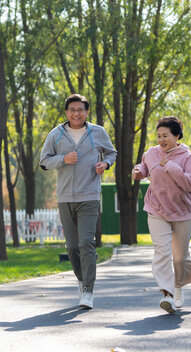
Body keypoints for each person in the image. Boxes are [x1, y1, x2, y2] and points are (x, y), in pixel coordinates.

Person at [39, 94, 117, 310]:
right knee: (72, 247)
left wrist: (105, 165)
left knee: (86, 242)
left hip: (89, 195)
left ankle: (89, 291)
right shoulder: (56, 134)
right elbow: (44, 162)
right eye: (72, 109)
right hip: (65, 197)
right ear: (66, 112)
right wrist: (63, 159)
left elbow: (111, 153)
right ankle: (82, 281)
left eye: (80, 109)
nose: (76, 113)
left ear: (86, 112)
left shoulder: (97, 132)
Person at [132, 116, 191, 314]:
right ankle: (167, 293)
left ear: (176, 136)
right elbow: (145, 167)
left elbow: (189, 184)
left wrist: (170, 166)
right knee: (161, 251)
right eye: (159, 135)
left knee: (179, 258)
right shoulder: (151, 153)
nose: (161, 139)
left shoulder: (187, 157)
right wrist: (138, 171)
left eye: (165, 135)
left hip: (182, 212)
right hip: (157, 209)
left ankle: (178, 288)